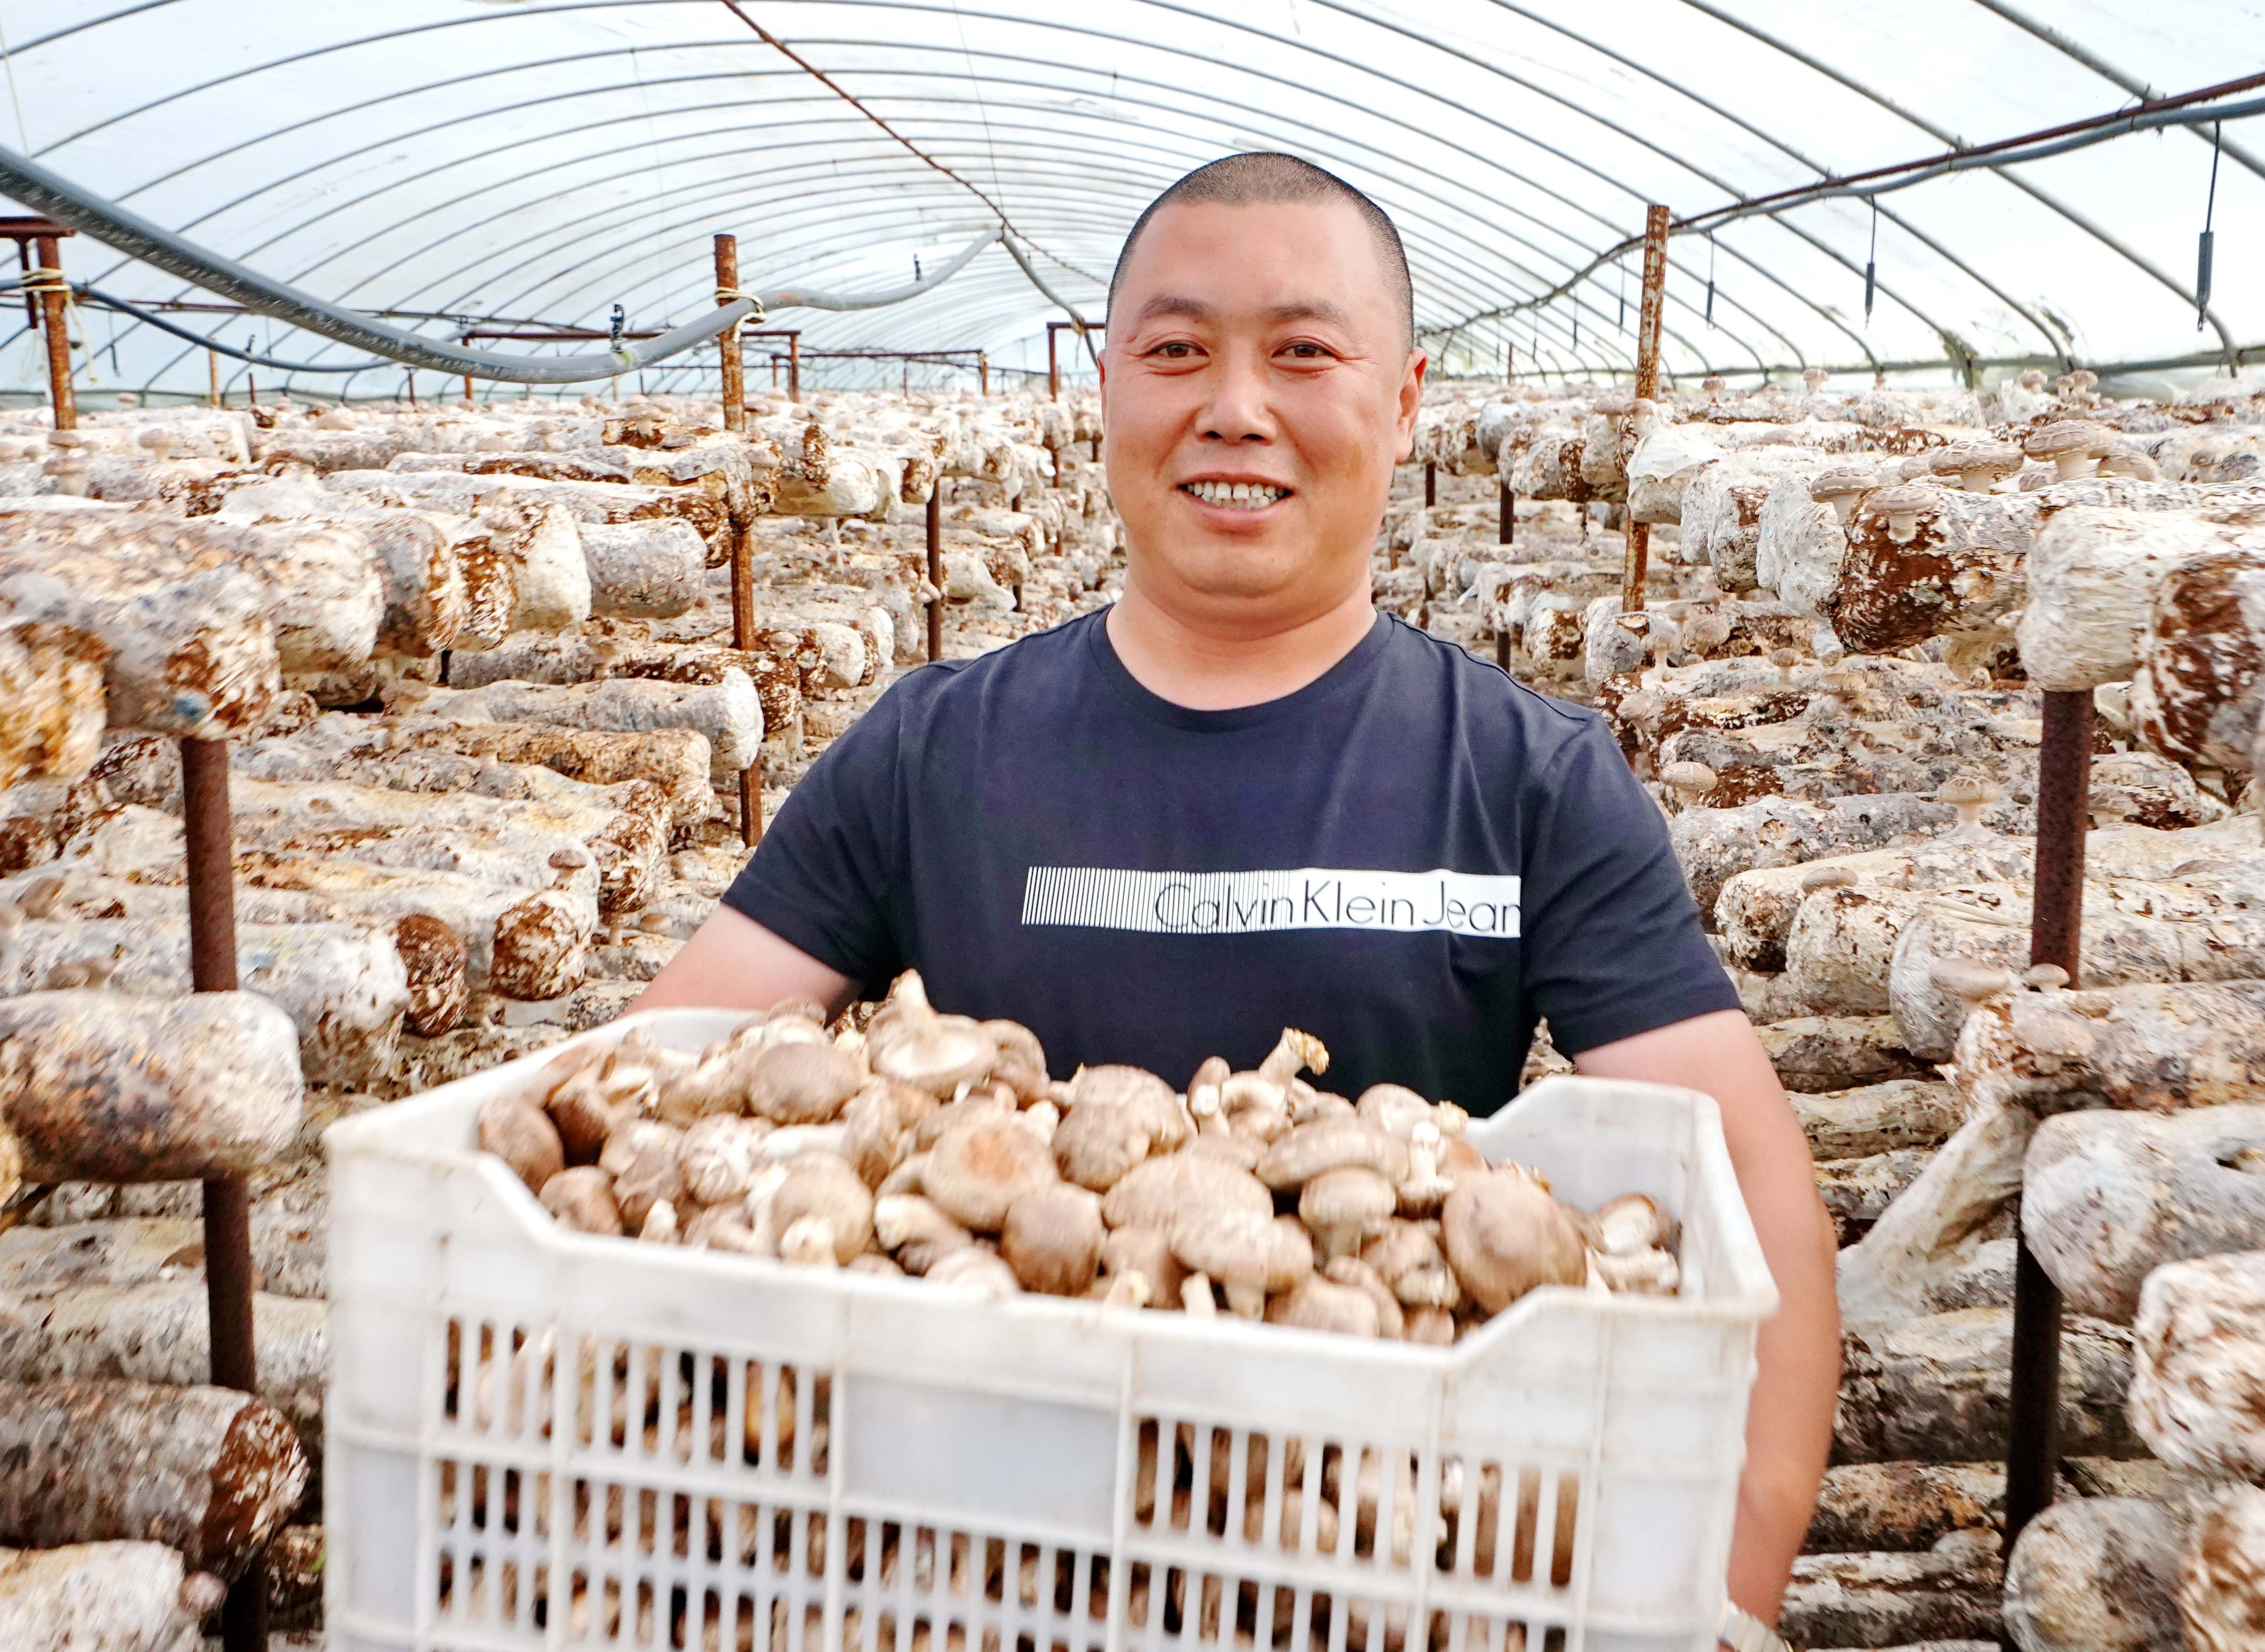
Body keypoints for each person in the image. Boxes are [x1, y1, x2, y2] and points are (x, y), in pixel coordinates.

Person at [638, 152, 1835, 1637]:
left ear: (1401, 408)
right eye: (1176, 350)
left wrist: (1727, 1584)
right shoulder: (929, 750)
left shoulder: (1525, 777)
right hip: (959, 1536)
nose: (1235, 406)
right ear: (1105, 396)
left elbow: (1743, 1183)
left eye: (1304, 352)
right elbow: (654, 1086)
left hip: (1374, 1545)